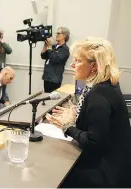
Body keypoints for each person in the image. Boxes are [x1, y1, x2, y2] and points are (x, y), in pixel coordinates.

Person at [46, 37, 131, 187]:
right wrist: (76, 118)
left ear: (94, 66)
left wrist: (67, 126)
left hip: (106, 174)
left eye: (78, 61)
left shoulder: (99, 96)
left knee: (53, 174)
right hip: (117, 165)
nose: (72, 64)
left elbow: (94, 143)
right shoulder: (106, 86)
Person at [41, 27, 70, 92]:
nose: (56, 35)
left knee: (52, 99)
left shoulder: (65, 49)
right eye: (56, 33)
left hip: (54, 79)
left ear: (64, 35)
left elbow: (55, 59)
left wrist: (49, 47)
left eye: (58, 33)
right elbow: (43, 56)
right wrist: (45, 45)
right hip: (47, 77)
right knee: (46, 95)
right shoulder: (53, 46)